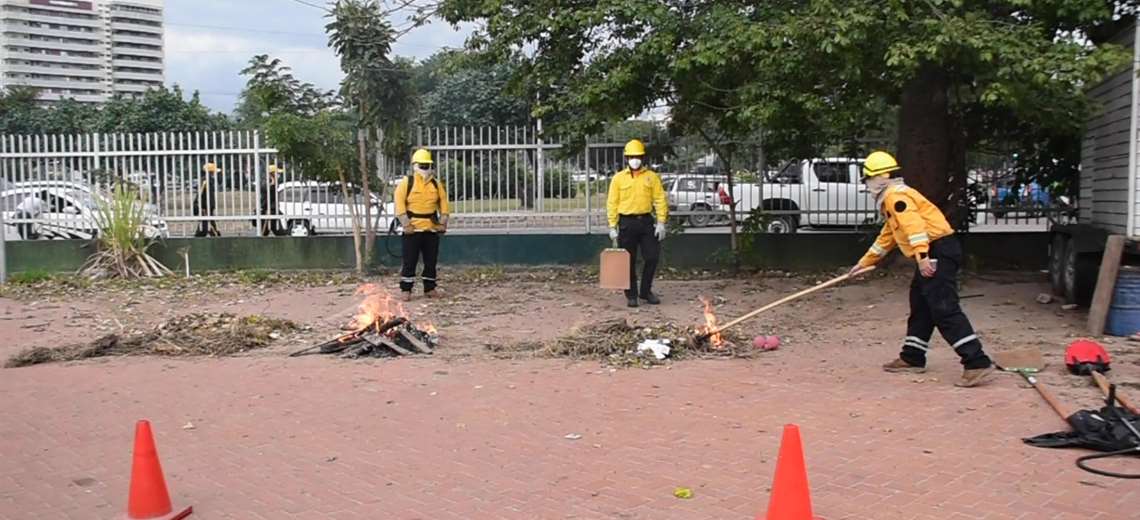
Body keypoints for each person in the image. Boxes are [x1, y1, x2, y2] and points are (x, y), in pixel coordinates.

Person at [849, 151, 995, 388]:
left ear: (881, 177)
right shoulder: (894, 197)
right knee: (921, 303)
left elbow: (914, 228)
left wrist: (923, 257)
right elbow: (888, 236)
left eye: (868, 179)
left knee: (943, 307)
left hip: (936, 251)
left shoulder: (896, 197)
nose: (867, 185)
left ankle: (976, 361)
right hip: (934, 250)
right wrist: (864, 262)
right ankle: (912, 356)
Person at [606, 139, 668, 308]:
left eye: (638, 156)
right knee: (628, 261)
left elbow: (659, 199)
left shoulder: (651, 177)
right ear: (627, 158)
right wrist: (612, 226)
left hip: (646, 222)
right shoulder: (618, 179)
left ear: (643, 157)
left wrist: (661, 222)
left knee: (652, 257)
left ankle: (645, 291)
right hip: (626, 223)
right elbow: (612, 202)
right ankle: (631, 294)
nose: (635, 159)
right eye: (632, 156)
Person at [394, 148, 450, 301]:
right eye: (423, 165)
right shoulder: (407, 183)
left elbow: (444, 206)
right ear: (415, 166)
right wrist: (406, 225)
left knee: (431, 261)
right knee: (409, 261)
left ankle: (430, 288)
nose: (426, 169)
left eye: (428, 165)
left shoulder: (437, 185)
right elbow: (399, 206)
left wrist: (443, 223)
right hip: (412, 230)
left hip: (431, 229)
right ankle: (406, 290)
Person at [256, 164, 287, 237]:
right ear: (272, 174)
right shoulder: (267, 183)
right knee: (277, 233)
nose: (279, 175)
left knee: (268, 232)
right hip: (269, 212)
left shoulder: (272, 183)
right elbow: (267, 194)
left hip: (272, 211)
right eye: (277, 173)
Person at [193, 162, 220, 237]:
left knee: (207, 223)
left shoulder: (210, 180)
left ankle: (213, 234)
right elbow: (200, 193)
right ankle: (214, 235)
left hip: (208, 206)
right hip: (205, 206)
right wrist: (198, 203)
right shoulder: (205, 181)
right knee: (206, 224)